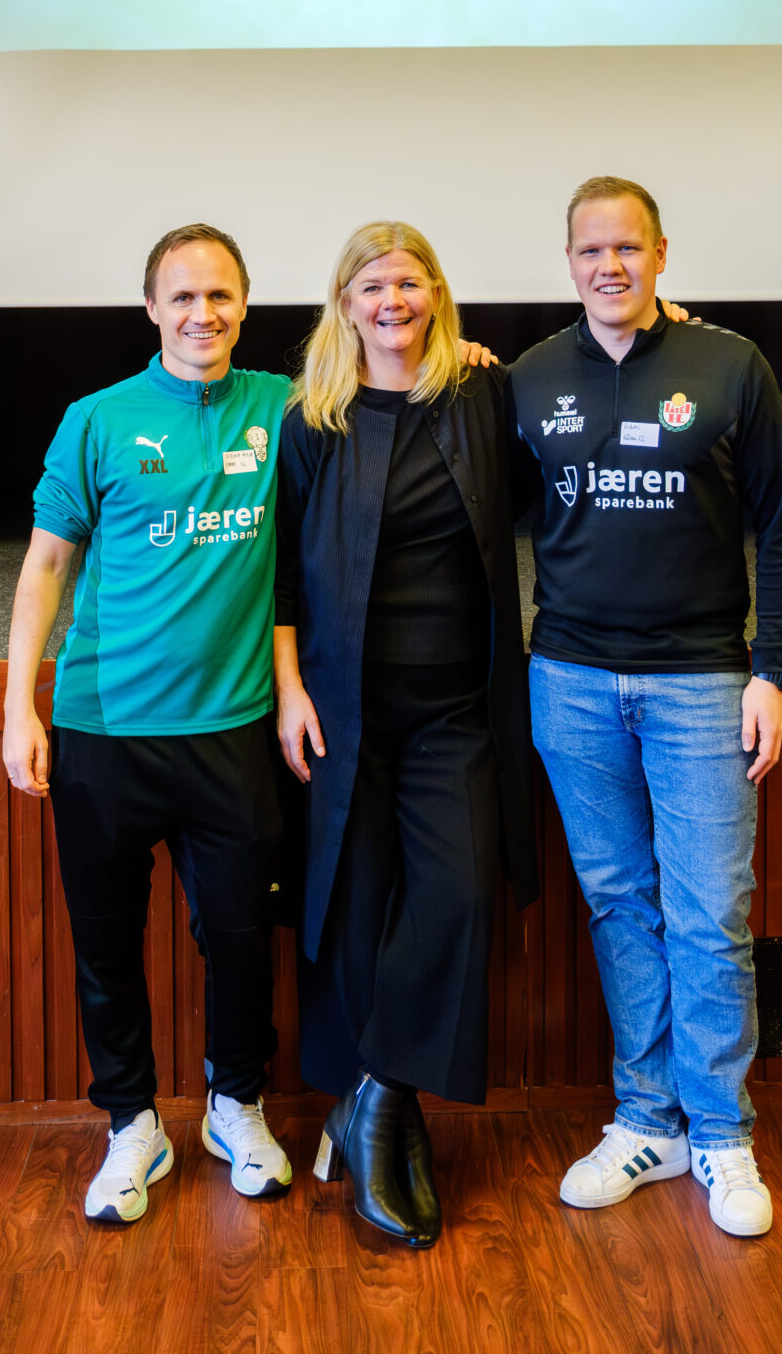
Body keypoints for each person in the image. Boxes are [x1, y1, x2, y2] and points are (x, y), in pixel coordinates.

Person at [508, 176, 782, 1239]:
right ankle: (647, 1121)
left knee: (710, 911)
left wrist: (770, 669)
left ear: (662, 252)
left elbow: (780, 524)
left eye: (627, 247)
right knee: (619, 904)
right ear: (569, 261)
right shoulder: (530, 377)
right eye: (590, 250)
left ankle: (722, 1132)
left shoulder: (729, 365)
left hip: (701, 682)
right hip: (571, 680)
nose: (609, 266)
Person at [2, 223, 294, 1221]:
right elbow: (46, 566)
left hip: (232, 729)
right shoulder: (96, 419)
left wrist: (461, 348)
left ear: (244, 305)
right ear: (151, 309)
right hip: (103, 727)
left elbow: (392, 372)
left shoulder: (284, 406)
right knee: (107, 945)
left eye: (219, 295)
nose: (202, 313)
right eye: (182, 297)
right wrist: (18, 704)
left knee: (243, 937)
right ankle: (132, 1124)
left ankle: (235, 1105)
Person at [273, 221, 538, 1248]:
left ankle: (376, 1095)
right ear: (344, 303)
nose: (393, 299)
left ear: (436, 294)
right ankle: (389, 1121)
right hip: (342, 712)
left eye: (410, 281)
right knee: (353, 909)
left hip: (455, 710)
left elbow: (575, 402)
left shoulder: (482, 394)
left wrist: (670, 319)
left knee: (459, 894)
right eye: (373, 284)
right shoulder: (311, 421)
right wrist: (291, 690)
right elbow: (281, 575)